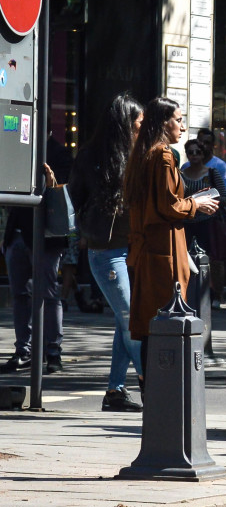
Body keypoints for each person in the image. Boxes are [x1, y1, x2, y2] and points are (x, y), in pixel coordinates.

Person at [123, 98, 219, 378]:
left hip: (149, 247)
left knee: (152, 325)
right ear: (163, 123)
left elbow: (160, 203)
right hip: (164, 247)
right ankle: (159, 389)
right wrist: (196, 205)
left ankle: (151, 388)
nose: (182, 125)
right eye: (178, 119)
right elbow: (168, 206)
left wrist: (188, 201)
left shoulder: (143, 154)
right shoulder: (162, 156)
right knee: (166, 320)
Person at [68, 94, 145, 411]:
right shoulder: (92, 157)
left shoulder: (137, 156)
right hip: (107, 251)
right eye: (139, 124)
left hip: (132, 249)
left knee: (123, 320)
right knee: (131, 319)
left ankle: (115, 391)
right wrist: (80, 237)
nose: (143, 129)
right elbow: (73, 201)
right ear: (125, 125)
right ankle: (151, 380)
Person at [0, 135, 71, 374]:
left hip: (45, 234)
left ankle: (52, 352)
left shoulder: (57, 152)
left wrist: (52, 181)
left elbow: (65, 191)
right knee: (20, 294)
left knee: (48, 293)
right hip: (17, 231)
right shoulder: (15, 147)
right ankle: (24, 350)